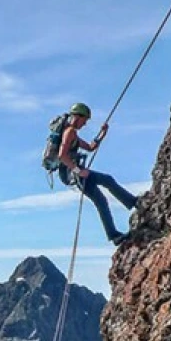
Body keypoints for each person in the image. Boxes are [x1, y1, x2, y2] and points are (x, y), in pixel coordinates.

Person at [57, 102, 136, 245]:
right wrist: (78, 171)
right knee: (103, 196)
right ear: (77, 117)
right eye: (84, 120)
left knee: (106, 186)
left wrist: (102, 134)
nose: (85, 124)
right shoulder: (69, 133)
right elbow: (62, 156)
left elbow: (89, 147)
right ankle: (116, 231)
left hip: (78, 174)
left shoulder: (72, 133)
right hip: (77, 176)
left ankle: (130, 205)